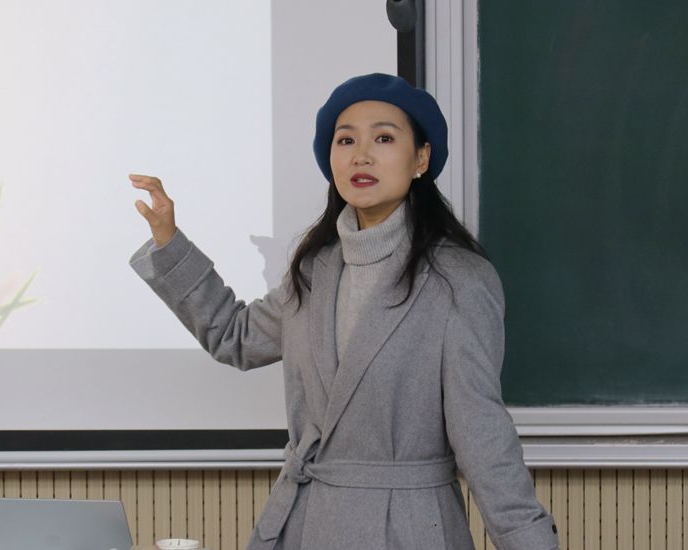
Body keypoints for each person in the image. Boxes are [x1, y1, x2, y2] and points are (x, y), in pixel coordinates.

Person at [128, 73, 559, 550]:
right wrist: (169, 241)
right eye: (346, 140)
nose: (361, 155)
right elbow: (235, 336)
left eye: (384, 138)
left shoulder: (459, 281)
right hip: (304, 524)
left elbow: (482, 437)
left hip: (409, 530)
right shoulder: (314, 269)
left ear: (421, 158)